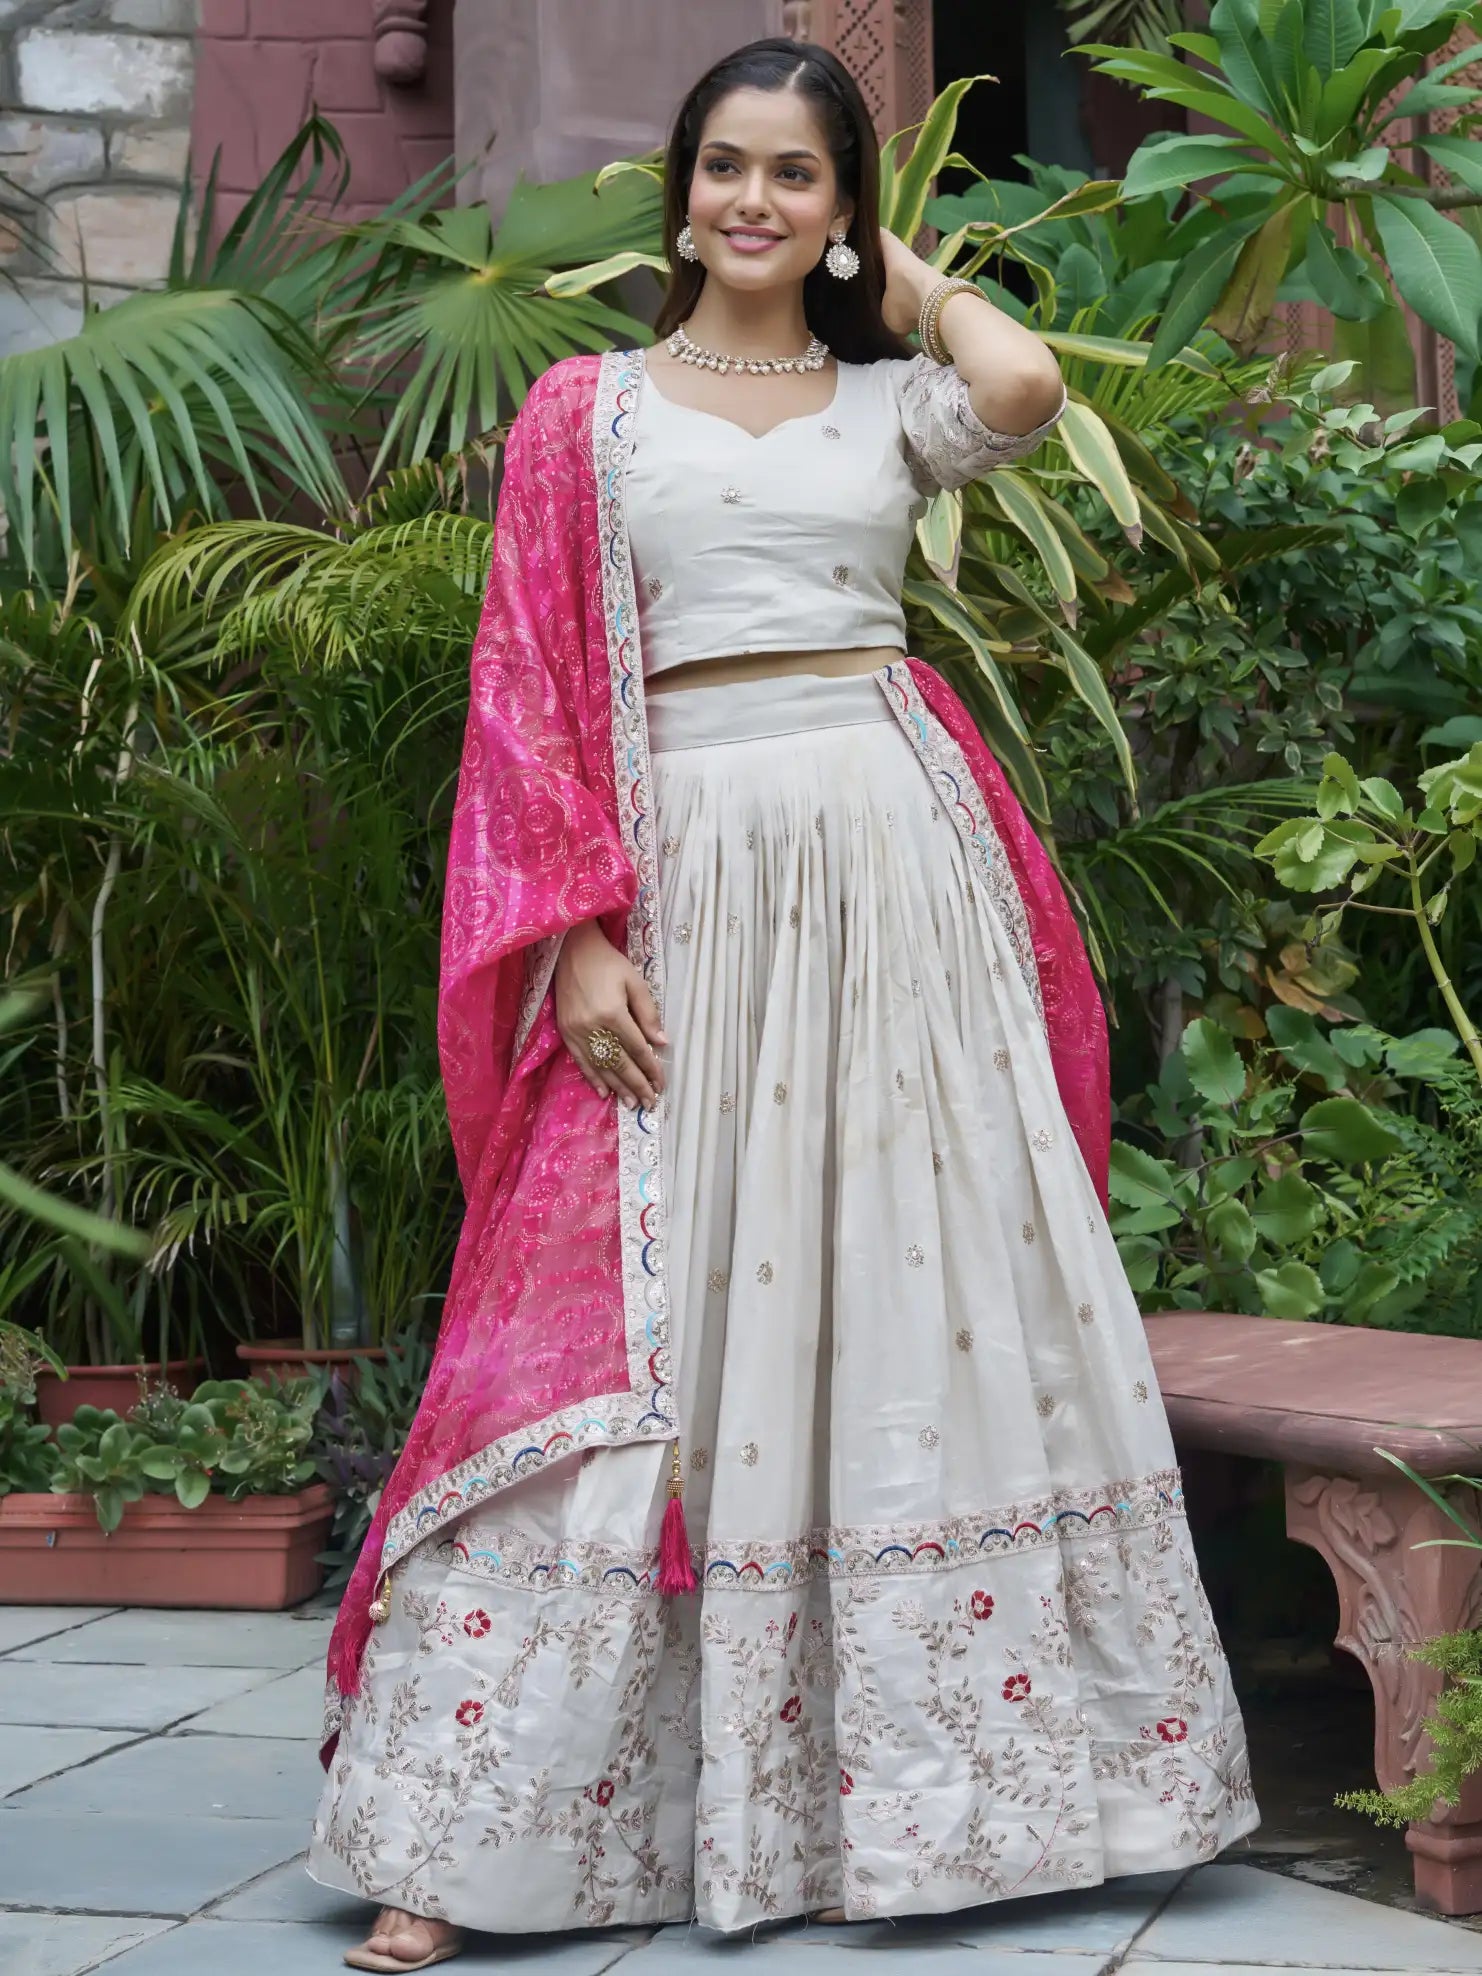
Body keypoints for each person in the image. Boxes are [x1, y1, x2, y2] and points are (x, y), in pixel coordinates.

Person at [311, 37, 1259, 1972]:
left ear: (844, 209)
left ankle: (940, 1800)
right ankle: (474, 1835)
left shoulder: (892, 401)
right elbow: (528, 700)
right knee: (616, 1322)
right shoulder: (585, 417)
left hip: (892, 871)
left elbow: (1026, 384)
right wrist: (576, 936)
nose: (755, 202)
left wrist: (889, 273)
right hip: (683, 878)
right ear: (680, 187)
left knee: (911, 1275)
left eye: (798, 177)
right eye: (727, 168)